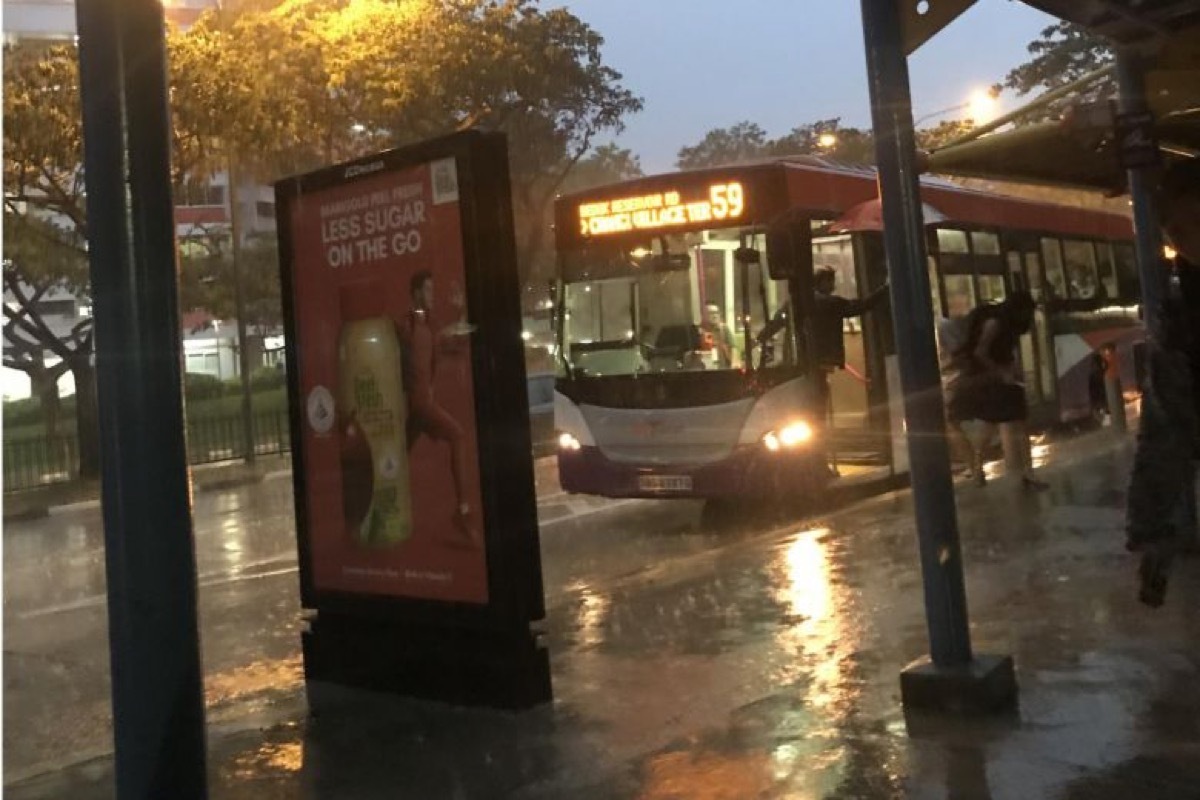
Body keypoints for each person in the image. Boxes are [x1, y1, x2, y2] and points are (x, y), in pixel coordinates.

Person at [1127, 158, 1200, 605]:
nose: (1183, 237)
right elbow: (1164, 434)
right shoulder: (1179, 312)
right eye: (1173, 228)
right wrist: (1151, 536)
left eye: (1192, 220)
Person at [405, 269, 480, 547]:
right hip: (417, 405)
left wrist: (460, 311)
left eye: (432, 291)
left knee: (398, 455)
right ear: (415, 293)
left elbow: (456, 340)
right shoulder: (409, 327)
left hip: (420, 405)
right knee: (457, 436)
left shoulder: (428, 327)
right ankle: (462, 511)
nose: (432, 296)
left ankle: (462, 512)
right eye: (427, 291)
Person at [945, 291, 1047, 490]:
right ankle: (1024, 472)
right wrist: (1002, 372)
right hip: (990, 378)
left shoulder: (1004, 322)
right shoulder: (997, 323)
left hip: (993, 377)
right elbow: (980, 352)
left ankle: (978, 469)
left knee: (994, 422)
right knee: (1016, 422)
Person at [699, 302, 736, 368]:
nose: (715, 315)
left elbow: (733, 348)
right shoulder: (700, 331)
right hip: (704, 370)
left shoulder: (724, 329)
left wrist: (733, 364)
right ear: (703, 315)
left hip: (723, 368)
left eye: (717, 312)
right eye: (711, 313)